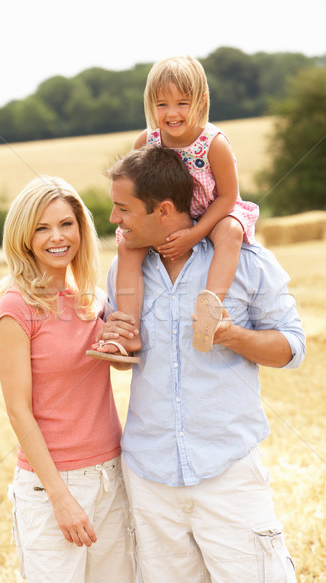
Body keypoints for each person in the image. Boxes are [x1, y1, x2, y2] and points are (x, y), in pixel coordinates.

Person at [97, 145, 306, 583]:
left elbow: (292, 347)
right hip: (149, 479)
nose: (114, 219)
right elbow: (123, 361)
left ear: (165, 210)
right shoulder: (123, 273)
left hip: (227, 473)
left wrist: (232, 336)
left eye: (124, 208)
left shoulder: (247, 262)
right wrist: (113, 344)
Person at [0, 176, 138, 583]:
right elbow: (18, 411)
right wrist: (61, 497)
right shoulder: (15, 307)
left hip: (112, 475)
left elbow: (123, 367)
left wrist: (121, 338)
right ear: (24, 237)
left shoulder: (91, 299)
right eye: (41, 228)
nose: (57, 237)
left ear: (81, 229)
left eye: (65, 224)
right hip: (51, 485)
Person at [102, 55, 259, 362]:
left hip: (212, 213)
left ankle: (209, 311)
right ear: (150, 104)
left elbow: (228, 198)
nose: (171, 113)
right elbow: (137, 191)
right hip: (166, 219)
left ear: (201, 100)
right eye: (161, 105)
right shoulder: (148, 141)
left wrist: (195, 233)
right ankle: (128, 331)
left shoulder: (213, 143)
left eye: (182, 103)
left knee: (231, 232)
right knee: (127, 248)